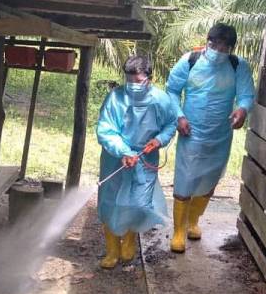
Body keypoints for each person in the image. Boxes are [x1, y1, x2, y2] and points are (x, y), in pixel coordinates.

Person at [166, 23, 255, 252]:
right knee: (185, 178)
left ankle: (193, 221)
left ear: (231, 49)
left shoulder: (238, 66)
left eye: (225, 47)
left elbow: (245, 94)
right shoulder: (190, 60)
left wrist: (242, 110)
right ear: (208, 42)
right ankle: (178, 232)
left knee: (209, 180)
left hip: (220, 135)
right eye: (215, 45)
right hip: (191, 133)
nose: (219, 50)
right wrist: (179, 116)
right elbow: (172, 91)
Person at [96, 56, 177, 268]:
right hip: (115, 160)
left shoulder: (161, 100)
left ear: (150, 78)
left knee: (139, 202)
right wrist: (123, 151)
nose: (133, 86)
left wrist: (159, 140)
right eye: (129, 80)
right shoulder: (115, 98)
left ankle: (130, 239)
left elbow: (171, 124)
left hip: (145, 157)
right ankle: (112, 249)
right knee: (110, 201)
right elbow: (105, 130)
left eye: (138, 81)